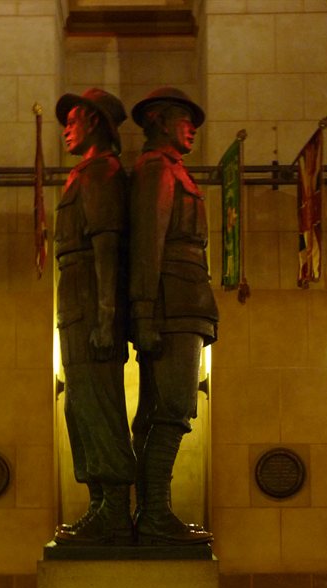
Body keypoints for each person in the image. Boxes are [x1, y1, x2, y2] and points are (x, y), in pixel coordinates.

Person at [129, 87, 219, 546]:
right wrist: (143, 313)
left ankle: (150, 511)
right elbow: (147, 242)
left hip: (185, 304)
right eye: (185, 118)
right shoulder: (155, 170)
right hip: (172, 306)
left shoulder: (172, 171)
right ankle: (154, 513)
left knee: (162, 410)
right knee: (172, 409)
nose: (193, 128)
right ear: (160, 120)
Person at [52, 88, 135, 546]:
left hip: (91, 305)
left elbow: (106, 248)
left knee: (100, 404)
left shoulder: (103, 172)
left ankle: (116, 510)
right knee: (78, 403)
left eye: (75, 118)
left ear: (98, 124)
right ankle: (100, 503)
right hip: (75, 303)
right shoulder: (82, 174)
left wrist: (107, 318)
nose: (66, 126)